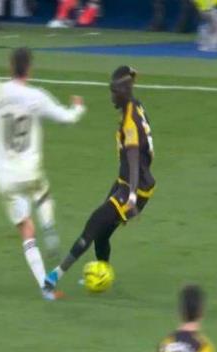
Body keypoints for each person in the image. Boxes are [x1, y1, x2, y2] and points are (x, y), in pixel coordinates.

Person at [0, 48, 86, 301]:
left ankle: (45, 288)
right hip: (29, 171)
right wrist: (78, 108)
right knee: (42, 192)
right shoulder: (37, 96)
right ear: (29, 69)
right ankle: (49, 224)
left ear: (10, 67)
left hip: (4, 177)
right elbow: (66, 118)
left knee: (26, 229)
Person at [43, 66, 155, 294]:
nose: (111, 96)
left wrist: (132, 197)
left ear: (124, 91)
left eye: (114, 92)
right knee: (102, 233)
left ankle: (55, 275)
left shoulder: (130, 121)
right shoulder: (135, 105)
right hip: (127, 182)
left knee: (94, 224)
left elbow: (133, 157)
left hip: (133, 187)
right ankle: (102, 274)